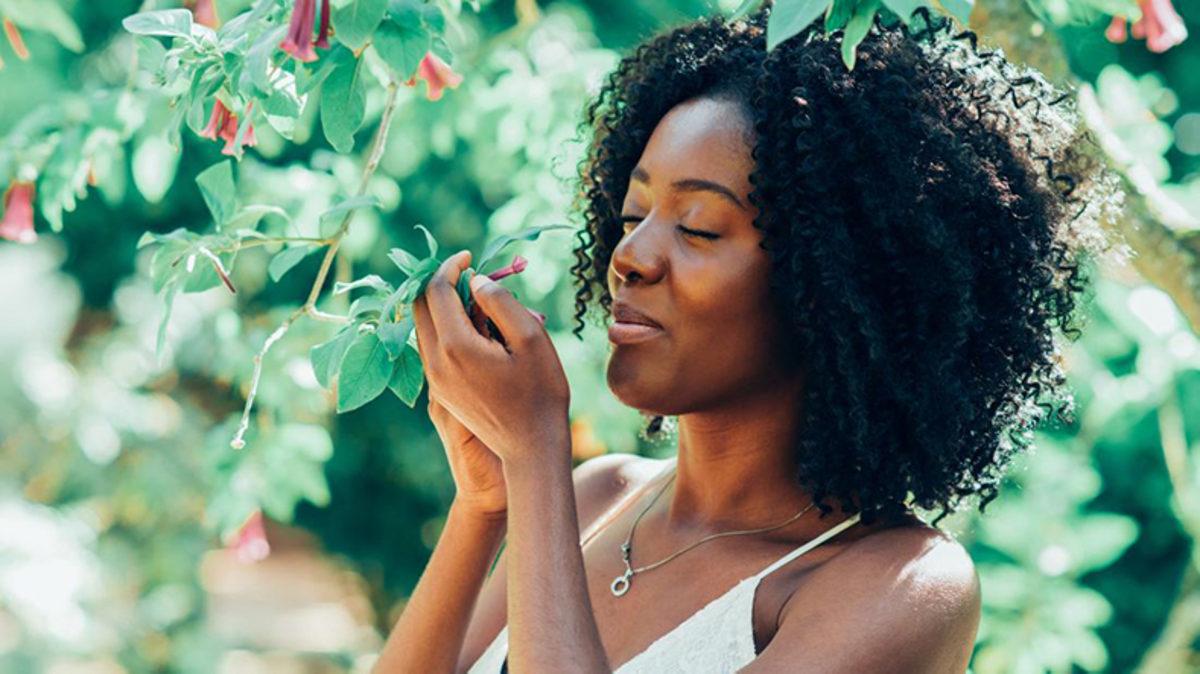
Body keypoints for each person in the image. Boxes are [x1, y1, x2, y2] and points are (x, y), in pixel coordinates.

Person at [372, 3, 1121, 673]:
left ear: (829, 284)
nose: (629, 258)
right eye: (632, 218)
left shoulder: (898, 586)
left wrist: (536, 450)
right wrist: (485, 504)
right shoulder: (596, 499)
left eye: (698, 227)